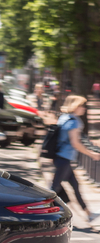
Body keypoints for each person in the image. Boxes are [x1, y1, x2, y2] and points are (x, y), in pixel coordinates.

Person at [51, 95, 100, 223]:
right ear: (76, 106)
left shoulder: (64, 117)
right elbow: (75, 143)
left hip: (60, 157)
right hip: (64, 158)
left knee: (75, 185)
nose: (84, 108)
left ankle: (89, 213)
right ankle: (41, 214)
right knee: (54, 188)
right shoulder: (74, 121)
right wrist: (91, 154)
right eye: (82, 106)